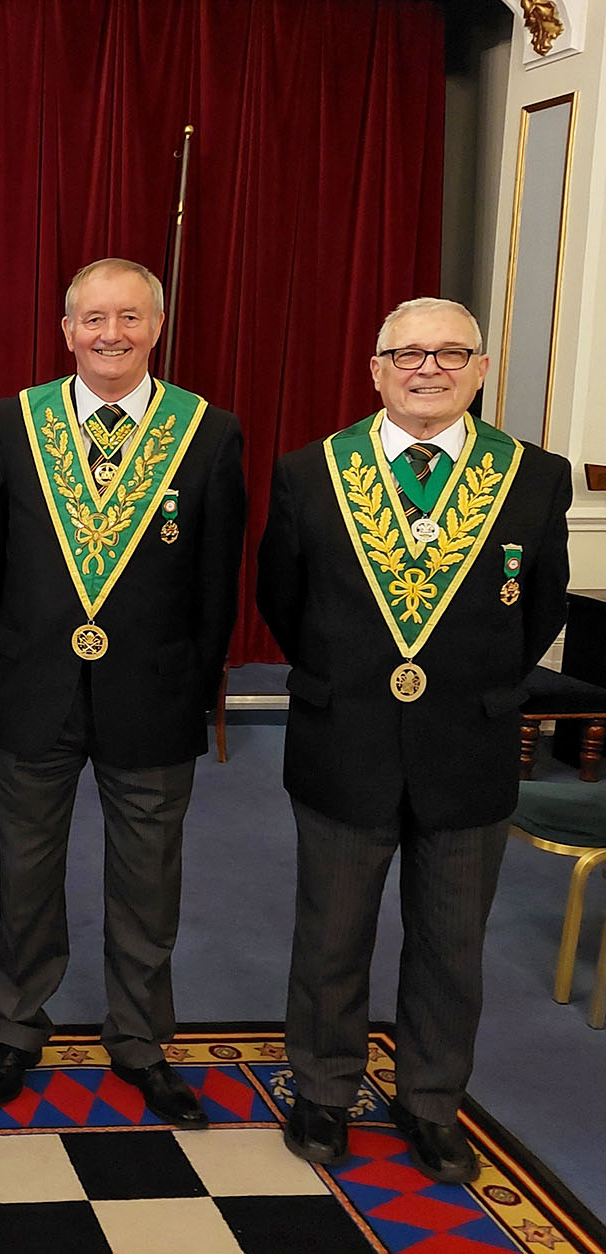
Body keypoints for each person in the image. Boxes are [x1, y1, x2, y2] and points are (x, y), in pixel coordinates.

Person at [257, 297, 570, 1182]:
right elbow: (285, 600)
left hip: (467, 745)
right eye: (408, 353)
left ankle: (431, 1100)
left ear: (478, 370)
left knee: (451, 941)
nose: (428, 368)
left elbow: (540, 606)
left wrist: (483, 691)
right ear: (376, 369)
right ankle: (323, 1089)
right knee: (331, 933)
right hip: (343, 737)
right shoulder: (311, 474)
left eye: (450, 353)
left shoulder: (535, 479)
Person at [0, 258, 245, 1128]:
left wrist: (193, 691)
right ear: (67, 330)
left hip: (152, 697)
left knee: (149, 882)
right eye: (93, 319)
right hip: (35, 689)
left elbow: (215, 582)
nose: (111, 334)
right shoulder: (14, 423)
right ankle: (18, 1025)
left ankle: (141, 1042)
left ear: (156, 328)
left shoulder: (208, 432)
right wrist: (15, 657)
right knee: (26, 873)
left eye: (129, 318)